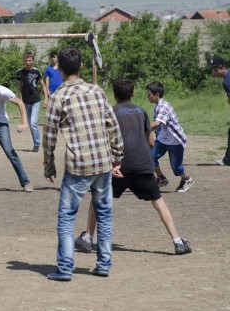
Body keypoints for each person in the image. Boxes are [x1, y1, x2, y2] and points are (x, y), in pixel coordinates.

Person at [75, 77, 192, 256]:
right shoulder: (141, 111)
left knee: (97, 198)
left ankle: (88, 238)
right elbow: (151, 140)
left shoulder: (111, 112)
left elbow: (106, 139)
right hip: (142, 165)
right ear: (132, 93)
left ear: (114, 95)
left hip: (119, 167)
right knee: (158, 201)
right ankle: (178, 242)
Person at [43, 47, 123, 281]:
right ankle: (104, 264)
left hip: (78, 166)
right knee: (104, 214)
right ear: (81, 66)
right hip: (102, 163)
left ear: (59, 68)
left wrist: (49, 166)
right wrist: (117, 157)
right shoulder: (97, 91)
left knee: (67, 217)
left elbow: (49, 136)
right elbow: (113, 125)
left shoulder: (58, 96)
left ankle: (65, 268)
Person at [145, 82, 194, 193]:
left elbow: (157, 123)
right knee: (150, 158)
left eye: (149, 95)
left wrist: (142, 128)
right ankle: (161, 178)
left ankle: (186, 179)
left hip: (174, 141)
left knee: (176, 169)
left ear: (157, 94)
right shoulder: (157, 106)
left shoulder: (163, 107)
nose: (148, 97)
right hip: (163, 139)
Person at [16, 53, 49, 152]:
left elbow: (42, 85)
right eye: (26, 60)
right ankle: (36, 142)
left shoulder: (36, 71)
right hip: (26, 101)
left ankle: (37, 144)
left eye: (29, 60)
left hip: (35, 100)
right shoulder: (19, 72)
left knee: (33, 122)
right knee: (30, 124)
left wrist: (46, 98)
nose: (27, 62)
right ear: (23, 61)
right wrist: (20, 100)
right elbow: (20, 87)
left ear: (33, 61)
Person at [209, 56, 230, 166]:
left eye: (215, 69)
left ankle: (228, 160)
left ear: (223, 68)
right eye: (212, 69)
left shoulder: (226, 82)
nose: (214, 72)